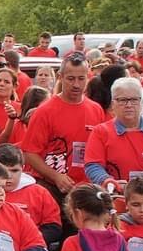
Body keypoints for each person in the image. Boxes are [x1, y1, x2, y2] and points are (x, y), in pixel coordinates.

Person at [21, 54, 106, 197]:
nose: (76, 84)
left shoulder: (96, 110)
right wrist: (55, 176)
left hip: (86, 189)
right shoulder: (44, 111)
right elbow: (30, 153)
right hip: (52, 187)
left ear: (88, 77)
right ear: (60, 77)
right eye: (71, 79)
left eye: (81, 78)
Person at [0, 143, 62, 247]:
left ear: (23, 168)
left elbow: (53, 228)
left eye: (14, 170)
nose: (9, 176)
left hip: (29, 248)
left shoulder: (39, 193)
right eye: (2, 170)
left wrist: (29, 240)